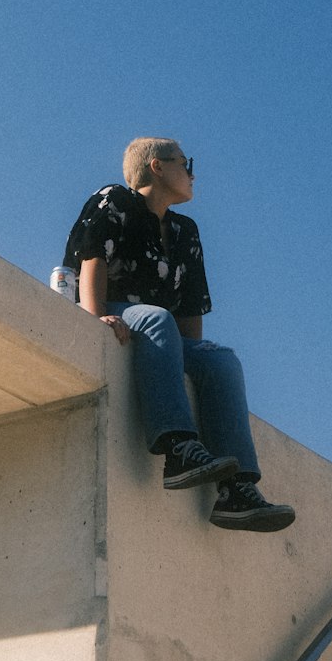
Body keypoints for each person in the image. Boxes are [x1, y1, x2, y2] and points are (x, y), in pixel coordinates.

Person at [63, 137, 295, 533]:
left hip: (161, 330)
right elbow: (91, 259)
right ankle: (176, 450)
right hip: (112, 308)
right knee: (156, 318)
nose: (192, 174)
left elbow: (189, 312)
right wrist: (94, 316)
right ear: (157, 166)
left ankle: (236, 491)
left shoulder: (186, 231)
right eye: (186, 164)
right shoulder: (114, 199)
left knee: (221, 359)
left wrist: (195, 358)